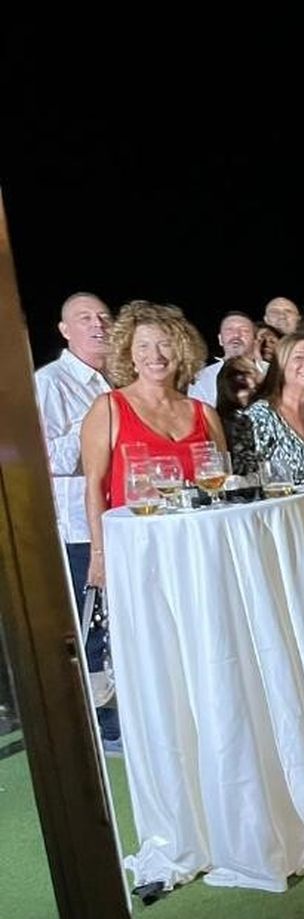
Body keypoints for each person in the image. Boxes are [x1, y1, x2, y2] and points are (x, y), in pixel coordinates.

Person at [81, 302, 225, 587]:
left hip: (200, 548)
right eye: (143, 346)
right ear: (129, 355)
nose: (155, 355)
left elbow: (222, 484)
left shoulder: (204, 413)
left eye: (165, 344)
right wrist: (99, 554)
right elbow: (95, 487)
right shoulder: (108, 408)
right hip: (137, 549)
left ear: (181, 351)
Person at [35, 291, 117, 744]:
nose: (98, 324)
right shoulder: (51, 382)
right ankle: (93, 725)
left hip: (122, 517)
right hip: (80, 528)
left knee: (119, 622)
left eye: (103, 316)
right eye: (85, 318)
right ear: (65, 331)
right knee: (91, 625)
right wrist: (97, 424)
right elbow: (46, 458)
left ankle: (119, 710)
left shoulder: (118, 378)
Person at [240, 332, 304, 493]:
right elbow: (247, 478)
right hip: (282, 506)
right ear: (280, 366)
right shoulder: (260, 415)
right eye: (298, 357)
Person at [189, 311, 261, 406]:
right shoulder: (202, 377)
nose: (236, 335)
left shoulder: (271, 372)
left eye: (244, 330)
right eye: (229, 330)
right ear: (220, 339)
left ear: (255, 340)